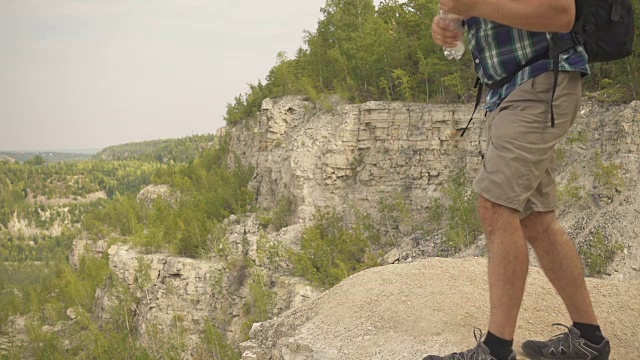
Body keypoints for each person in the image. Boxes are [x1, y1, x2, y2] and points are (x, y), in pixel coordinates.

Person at [426, 0, 611, 359]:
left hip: (541, 80)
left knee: (496, 206)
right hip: (507, 92)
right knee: (537, 221)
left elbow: (561, 14)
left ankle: (496, 350)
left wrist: (475, 4)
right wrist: (449, 22)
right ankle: (589, 340)